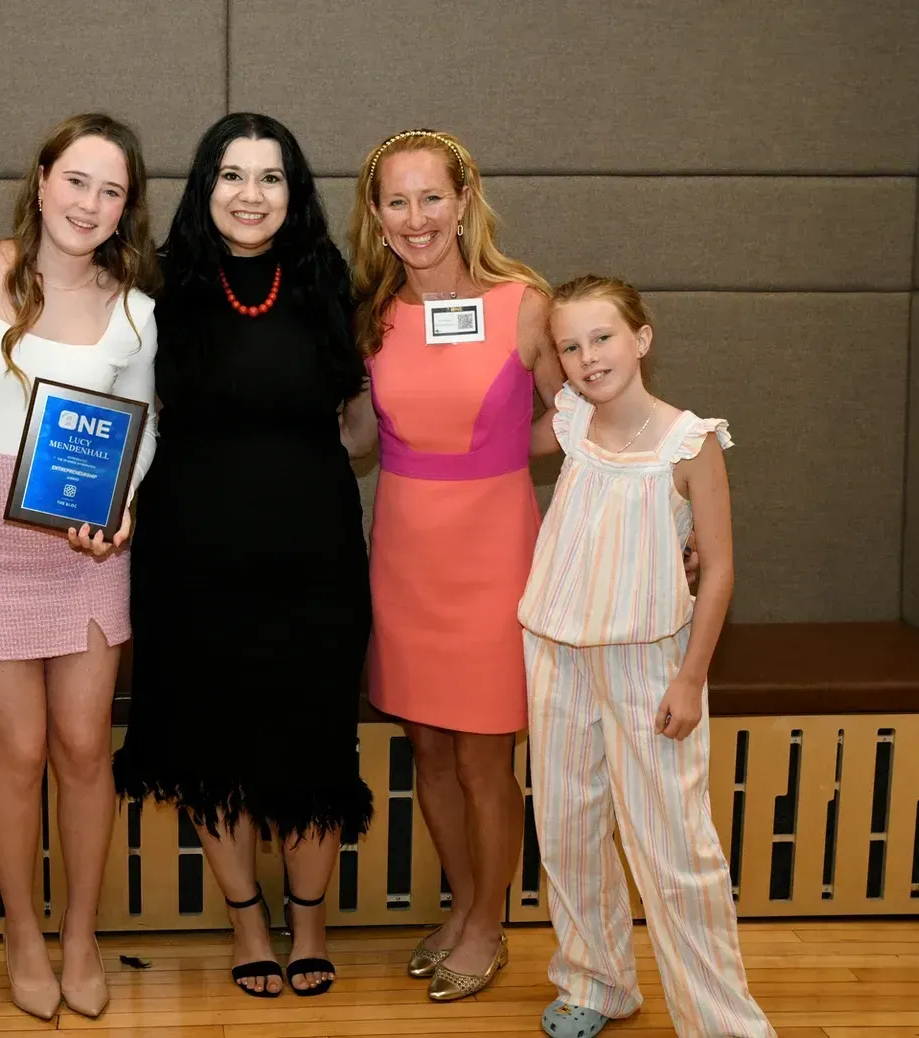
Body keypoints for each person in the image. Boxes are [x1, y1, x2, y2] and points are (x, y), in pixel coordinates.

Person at [112, 112, 373, 999]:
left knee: (310, 740)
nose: (250, 195)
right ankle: (247, 924)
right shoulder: (153, 291)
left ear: (294, 194)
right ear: (204, 187)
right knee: (209, 741)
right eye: (232, 175)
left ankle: (309, 922)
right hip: (192, 557)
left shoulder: (332, 286)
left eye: (270, 177)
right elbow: (112, 408)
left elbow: (367, 425)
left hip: (314, 555)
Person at [0, 113, 160, 1022]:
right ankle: (23, 930)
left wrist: (125, 513)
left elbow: (143, 435)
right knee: (15, 753)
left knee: (84, 747)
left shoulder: (136, 309)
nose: (90, 204)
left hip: (84, 549)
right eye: (77, 180)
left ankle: (79, 934)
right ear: (42, 178)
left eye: (111, 191)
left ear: (126, 208)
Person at [521, 276, 773, 1038]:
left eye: (603, 337)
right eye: (571, 346)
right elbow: (491, 430)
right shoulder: (568, 423)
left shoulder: (688, 442)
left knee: (672, 846)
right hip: (558, 654)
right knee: (568, 829)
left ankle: (722, 1021)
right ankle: (597, 983)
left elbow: (720, 568)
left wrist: (691, 678)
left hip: (650, 664)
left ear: (642, 338)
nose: (588, 357)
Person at [343, 128, 562, 1003]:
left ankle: (487, 923)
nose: (416, 217)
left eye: (432, 196)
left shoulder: (526, 304)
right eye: (397, 201)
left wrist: (503, 452)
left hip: (495, 547)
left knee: (484, 757)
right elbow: (358, 436)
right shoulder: (369, 313)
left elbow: (577, 416)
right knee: (428, 746)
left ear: (465, 200)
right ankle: (464, 905)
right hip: (404, 548)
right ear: (376, 215)